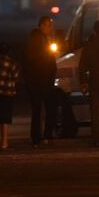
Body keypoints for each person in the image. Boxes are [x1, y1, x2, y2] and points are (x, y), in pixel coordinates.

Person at [24, 16, 58, 146]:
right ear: (42, 26)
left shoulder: (37, 39)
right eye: (49, 25)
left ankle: (37, 137)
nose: (51, 28)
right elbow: (42, 60)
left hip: (37, 81)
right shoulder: (39, 40)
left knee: (37, 110)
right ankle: (45, 136)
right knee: (48, 109)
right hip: (42, 81)